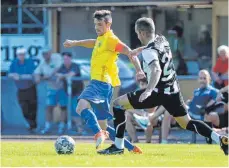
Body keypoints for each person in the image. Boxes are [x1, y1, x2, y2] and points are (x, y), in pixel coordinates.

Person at [97, 17, 228, 155]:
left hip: (157, 91)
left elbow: (156, 69)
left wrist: (148, 90)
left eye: (137, 33)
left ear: (141, 33)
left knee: (118, 105)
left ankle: (118, 146)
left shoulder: (149, 52)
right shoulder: (162, 40)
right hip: (173, 91)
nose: (137, 36)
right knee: (187, 122)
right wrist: (138, 50)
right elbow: (152, 47)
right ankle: (220, 139)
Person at [63, 10, 145, 153]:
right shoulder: (102, 39)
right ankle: (130, 148)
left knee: (81, 107)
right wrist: (75, 43)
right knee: (104, 126)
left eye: (100, 24)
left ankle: (98, 134)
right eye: (95, 24)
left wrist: (139, 70)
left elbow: (129, 51)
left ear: (109, 24)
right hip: (104, 86)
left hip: (99, 83)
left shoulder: (111, 40)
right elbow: (94, 43)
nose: (97, 27)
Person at [34, 48, 63, 134]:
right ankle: (47, 127)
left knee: (63, 107)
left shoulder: (56, 57)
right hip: (51, 88)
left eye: (46, 53)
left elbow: (59, 67)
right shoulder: (42, 62)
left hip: (62, 87)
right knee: (49, 107)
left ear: (50, 52)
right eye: (43, 54)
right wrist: (37, 77)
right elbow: (36, 72)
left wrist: (49, 75)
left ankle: (62, 127)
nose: (45, 55)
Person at [8, 48, 37, 132]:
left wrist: (20, 76)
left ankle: (33, 126)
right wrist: (13, 75)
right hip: (20, 89)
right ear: (17, 55)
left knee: (32, 108)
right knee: (24, 108)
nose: (21, 56)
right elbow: (9, 73)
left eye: (23, 54)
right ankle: (30, 123)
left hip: (30, 88)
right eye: (20, 54)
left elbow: (32, 75)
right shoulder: (14, 63)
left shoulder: (29, 62)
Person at [55, 52, 84, 134]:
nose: (65, 60)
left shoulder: (75, 66)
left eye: (67, 59)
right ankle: (63, 127)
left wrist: (62, 76)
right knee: (63, 107)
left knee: (75, 109)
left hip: (77, 92)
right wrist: (60, 75)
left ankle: (80, 129)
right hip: (66, 91)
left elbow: (71, 74)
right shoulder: (62, 66)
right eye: (64, 59)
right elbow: (57, 73)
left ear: (70, 59)